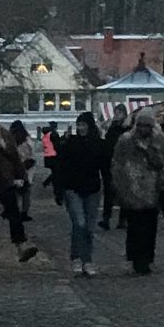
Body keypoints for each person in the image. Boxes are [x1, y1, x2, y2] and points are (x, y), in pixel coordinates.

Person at [109, 107, 164, 275]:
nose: (143, 129)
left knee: (149, 226)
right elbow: (117, 164)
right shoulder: (126, 141)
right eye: (140, 125)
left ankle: (146, 258)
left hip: (153, 190)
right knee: (135, 226)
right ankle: (136, 258)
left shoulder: (162, 142)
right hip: (131, 190)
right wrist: (119, 186)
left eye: (147, 125)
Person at [51, 110, 107, 276]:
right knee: (79, 223)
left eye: (83, 125)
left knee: (89, 227)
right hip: (73, 188)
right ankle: (77, 258)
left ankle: (87, 260)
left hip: (92, 189)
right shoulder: (70, 143)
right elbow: (60, 165)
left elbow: (104, 167)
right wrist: (59, 190)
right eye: (79, 125)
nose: (81, 128)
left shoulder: (98, 144)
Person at [0, 120, 40, 263]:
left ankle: (21, 247)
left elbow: (14, 156)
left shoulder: (4, 134)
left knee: (14, 212)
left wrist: (21, 176)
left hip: (5, 180)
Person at [98, 111, 127, 229]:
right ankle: (106, 218)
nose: (116, 115)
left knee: (123, 192)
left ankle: (122, 219)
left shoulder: (126, 129)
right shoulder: (111, 128)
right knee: (109, 192)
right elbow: (106, 144)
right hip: (109, 162)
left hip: (123, 164)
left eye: (119, 113)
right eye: (116, 113)